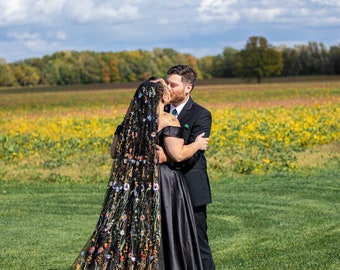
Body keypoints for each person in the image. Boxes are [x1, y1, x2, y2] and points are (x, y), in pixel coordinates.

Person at [71, 78, 207, 269]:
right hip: (163, 181)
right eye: (165, 87)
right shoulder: (168, 120)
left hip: (137, 181)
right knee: (166, 228)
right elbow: (178, 155)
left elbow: (114, 153)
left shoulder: (129, 122)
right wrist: (197, 145)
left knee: (136, 228)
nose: (169, 89)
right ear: (161, 96)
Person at [157, 65, 215, 270]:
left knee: (197, 244)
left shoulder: (201, 115)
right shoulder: (159, 112)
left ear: (188, 87)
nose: (168, 88)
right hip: (163, 188)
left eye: (173, 84)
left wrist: (167, 158)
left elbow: (195, 154)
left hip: (191, 187)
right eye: (166, 84)